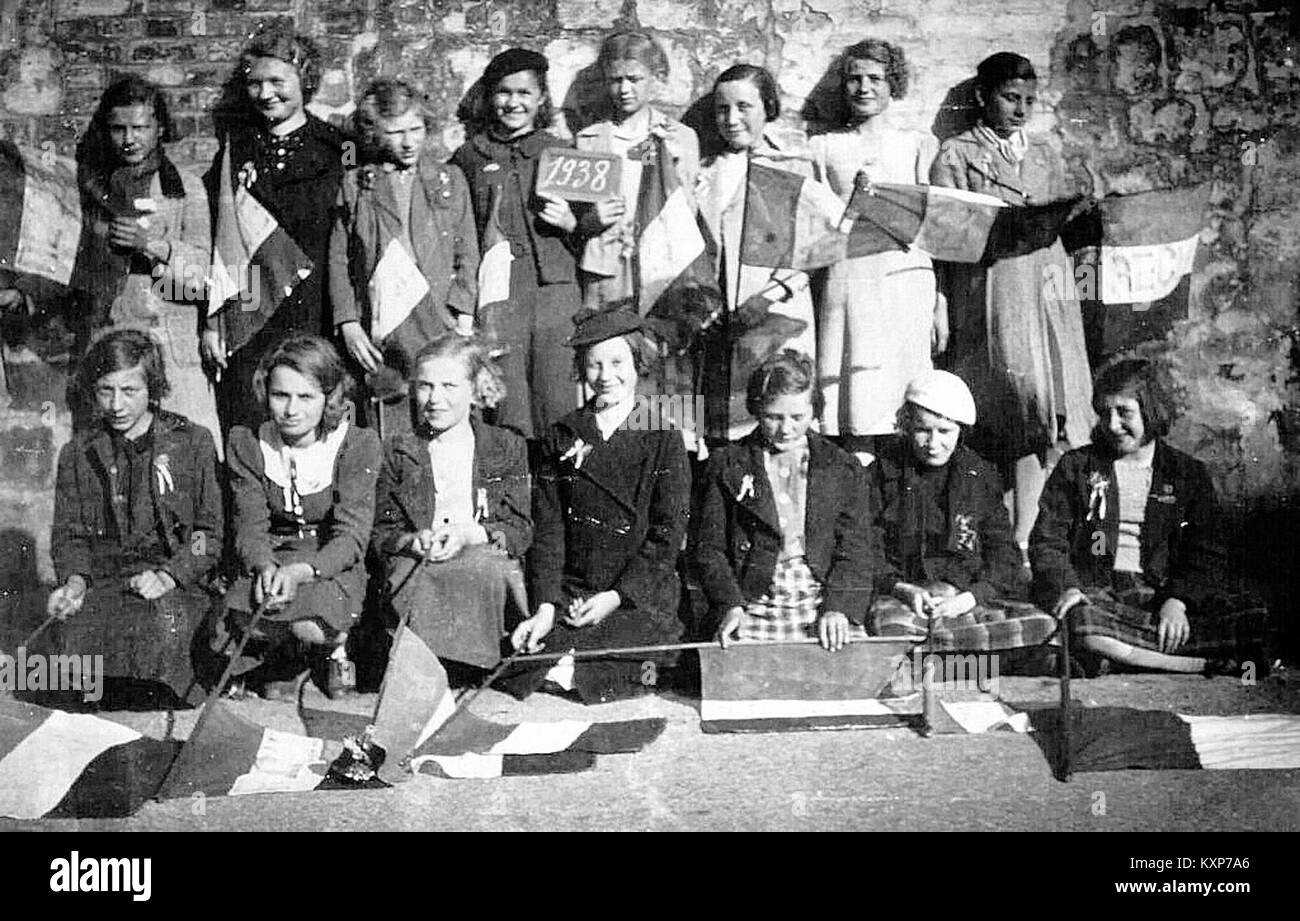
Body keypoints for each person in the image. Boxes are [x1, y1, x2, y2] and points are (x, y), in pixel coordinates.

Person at [930, 52, 1093, 552]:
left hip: (1048, 284)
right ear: (983, 97)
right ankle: (1005, 540)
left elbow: (1074, 208)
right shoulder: (957, 156)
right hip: (994, 289)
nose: (1020, 110)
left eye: (1028, 100)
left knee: (1053, 406)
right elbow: (944, 237)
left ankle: (1036, 537)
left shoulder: (1046, 151)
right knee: (1011, 405)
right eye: (1009, 98)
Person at [1031, 359, 1270, 675]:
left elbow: (1206, 552)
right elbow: (1048, 541)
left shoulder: (1187, 473)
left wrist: (1178, 602)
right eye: (1105, 413)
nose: (1112, 425)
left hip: (1161, 591)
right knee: (1082, 622)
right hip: (1096, 590)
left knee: (1253, 615)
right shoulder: (1077, 467)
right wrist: (1069, 588)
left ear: (1151, 410)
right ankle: (1201, 664)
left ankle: (1120, 654)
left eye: (1124, 413)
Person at [509, 309, 690, 702]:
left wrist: (617, 596)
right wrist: (545, 604)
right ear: (581, 369)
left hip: (636, 590)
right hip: (576, 589)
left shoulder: (663, 436)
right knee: (533, 655)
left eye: (617, 362)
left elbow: (667, 534)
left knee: (626, 665)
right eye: (594, 364)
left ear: (638, 363)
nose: (606, 375)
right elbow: (549, 530)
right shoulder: (563, 435)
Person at [48, 329, 221, 707]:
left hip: (175, 584)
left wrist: (171, 575)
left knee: (161, 636)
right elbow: (70, 535)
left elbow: (207, 535)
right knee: (73, 648)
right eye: (105, 391)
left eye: (130, 391)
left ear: (153, 389)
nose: (116, 405)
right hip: (108, 583)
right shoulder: (78, 453)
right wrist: (74, 583)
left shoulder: (191, 442)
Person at [202, 27, 348, 434]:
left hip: (313, 308)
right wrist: (213, 322)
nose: (265, 94)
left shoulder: (337, 147)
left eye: (276, 82)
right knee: (250, 422)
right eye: (254, 83)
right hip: (251, 311)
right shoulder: (237, 148)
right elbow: (218, 241)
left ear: (304, 80)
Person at [221, 335, 381, 697]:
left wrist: (302, 572)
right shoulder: (247, 443)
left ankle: (334, 652)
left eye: (306, 397)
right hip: (277, 554)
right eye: (281, 396)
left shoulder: (356, 445)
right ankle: (288, 657)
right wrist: (264, 566)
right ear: (267, 393)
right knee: (244, 616)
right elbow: (250, 525)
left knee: (313, 624)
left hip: (329, 559)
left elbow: (351, 536)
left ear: (329, 398)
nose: (291, 410)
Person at [809, 40, 945, 462]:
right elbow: (814, 221)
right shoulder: (824, 147)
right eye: (854, 78)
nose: (864, 88)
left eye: (875, 79)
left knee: (907, 397)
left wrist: (940, 301)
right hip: (851, 281)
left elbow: (933, 227)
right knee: (857, 399)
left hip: (906, 281)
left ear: (893, 84)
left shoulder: (917, 145)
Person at [371, 334, 532, 681]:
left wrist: (473, 534)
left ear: (474, 390)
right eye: (425, 386)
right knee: (413, 577)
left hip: (482, 550)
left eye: (449, 386)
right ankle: (425, 669)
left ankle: (474, 664)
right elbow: (382, 530)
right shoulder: (399, 450)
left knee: (488, 567)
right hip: (421, 557)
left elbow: (519, 532)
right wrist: (412, 541)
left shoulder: (505, 447)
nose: (435, 399)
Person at [693, 350, 878, 650]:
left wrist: (838, 607)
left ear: (814, 410)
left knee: (847, 669)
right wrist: (730, 605)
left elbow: (855, 550)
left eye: (797, 417)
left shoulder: (841, 467)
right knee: (738, 667)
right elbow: (710, 549)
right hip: (754, 597)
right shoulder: (727, 464)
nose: (786, 428)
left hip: (820, 593)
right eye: (774, 417)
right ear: (756, 409)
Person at [71, 76, 219, 448]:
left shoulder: (185, 188)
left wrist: (150, 245)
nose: (129, 139)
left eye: (140, 127)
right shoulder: (91, 189)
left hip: (171, 347)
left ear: (160, 129)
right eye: (118, 128)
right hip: (112, 345)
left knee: (182, 457)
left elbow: (204, 278)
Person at [867, 370, 1057, 656]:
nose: (933, 443)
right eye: (922, 430)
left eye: (944, 432)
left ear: (961, 431)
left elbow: (1004, 553)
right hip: (908, 597)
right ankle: (981, 661)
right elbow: (867, 547)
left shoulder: (978, 475)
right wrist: (902, 589)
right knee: (892, 629)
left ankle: (934, 663)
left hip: (964, 596)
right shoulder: (882, 474)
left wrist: (968, 598)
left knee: (1041, 625)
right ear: (906, 425)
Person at [330, 78, 480, 438]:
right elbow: (339, 258)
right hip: (384, 323)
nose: (409, 141)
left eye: (416, 129)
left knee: (441, 412)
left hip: (438, 318)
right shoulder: (357, 184)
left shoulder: (449, 178)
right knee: (392, 419)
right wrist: (348, 322)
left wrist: (463, 313)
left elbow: (467, 250)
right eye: (396, 133)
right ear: (375, 134)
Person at [450, 48, 581, 440]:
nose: (513, 102)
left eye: (524, 93)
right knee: (509, 406)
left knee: (559, 400)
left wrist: (572, 223)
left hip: (555, 295)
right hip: (499, 295)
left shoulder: (562, 151)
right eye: (504, 92)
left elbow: (598, 232)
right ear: (491, 97)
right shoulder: (470, 157)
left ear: (541, 98)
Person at [695, 64, 817, 444]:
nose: (731, 119)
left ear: (767, 107)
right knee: (726, 432)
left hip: (779, 314)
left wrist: (767, 297)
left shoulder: (794, 167)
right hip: (723, 323)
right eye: (721, 108)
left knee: (778, 414)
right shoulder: (705, 174)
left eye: (744, 107)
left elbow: (813, 248)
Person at [574, 29, 700, 311]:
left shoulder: (678, 137)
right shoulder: (588, 141)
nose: (624, 89)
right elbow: (575, 220)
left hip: (659, 264)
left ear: (655, 78)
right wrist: (592, 220)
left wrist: (670, 159)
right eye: (615, 80)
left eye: (634, 79)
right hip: (606, 266)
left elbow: (687, 211)